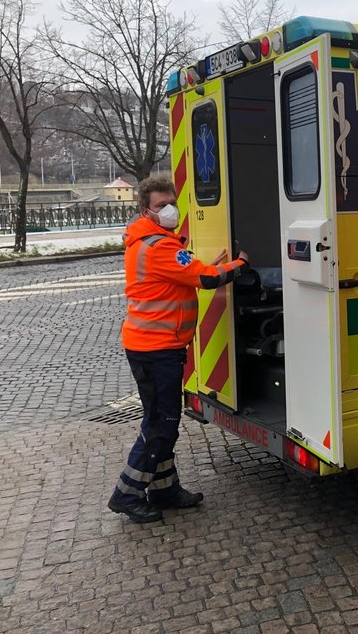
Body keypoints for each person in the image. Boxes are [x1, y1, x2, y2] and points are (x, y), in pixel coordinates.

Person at [108, 176, 249, 523]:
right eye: (161, 205)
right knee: (162, 424)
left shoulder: (150, 241)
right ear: (146, 210)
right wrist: (240, 264)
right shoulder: (159, 247)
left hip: (154, 347)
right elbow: (205, 279)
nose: (170, 209)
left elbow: (189, 273)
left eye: (172, 202)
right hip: (156, 350)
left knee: (161, 420)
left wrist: (211, 266)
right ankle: (126, 494)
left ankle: (165, 488)